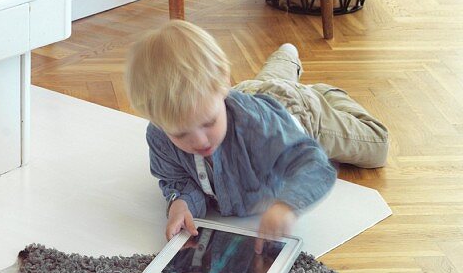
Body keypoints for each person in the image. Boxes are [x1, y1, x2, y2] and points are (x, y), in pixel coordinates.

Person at [124, 21, 389, 244]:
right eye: (181, 134)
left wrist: (286, 205)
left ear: (222, 86)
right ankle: (285, 59)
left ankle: (323, 93)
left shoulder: (259, 125)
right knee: (263, 86)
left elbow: (314, 165)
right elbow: (177, 179)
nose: (199, 140)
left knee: (378, 145)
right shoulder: (161, 133)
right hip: (253, 92)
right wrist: (180, 203)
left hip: (300, 112)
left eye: (208, 123)